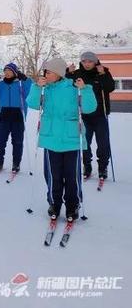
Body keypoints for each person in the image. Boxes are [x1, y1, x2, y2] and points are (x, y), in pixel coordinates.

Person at [27, 57, 96, 220]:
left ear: (59, 72)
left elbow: (89, 108)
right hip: (51, 139)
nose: (46, 75)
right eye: (45, 72)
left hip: (71, 139)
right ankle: (54, 203)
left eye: (49, 72)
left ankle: (73, 206)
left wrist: (85, 89)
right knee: (53, 175)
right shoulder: (44, 89)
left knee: (72, 176)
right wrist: (37, 87)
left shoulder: (74, 87)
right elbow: (32, 104)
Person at [65, 51, 115, 180]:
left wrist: (103, 74)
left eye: (90, 61)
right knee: (84, 143)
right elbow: (67, 86)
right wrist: (68, 73)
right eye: (84, 61)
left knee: (103, 144)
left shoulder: (102, 72)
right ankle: (87, 166)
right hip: (84, 115)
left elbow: (110, 87)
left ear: (95, 62)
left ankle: (103, 168)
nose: (87, 64)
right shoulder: (77, 74)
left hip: (100, 115)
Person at [0, 62, 32, 173]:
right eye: (5, 71)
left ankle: (16, 163)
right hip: (5, 116)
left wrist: (26, 79)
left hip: (18, 116)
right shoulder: (1, 84)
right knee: (0, 141)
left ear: (15, 72)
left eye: (9, 71)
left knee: (17, 142)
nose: (7, 73)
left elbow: (29, 93)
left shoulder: (20, 84)